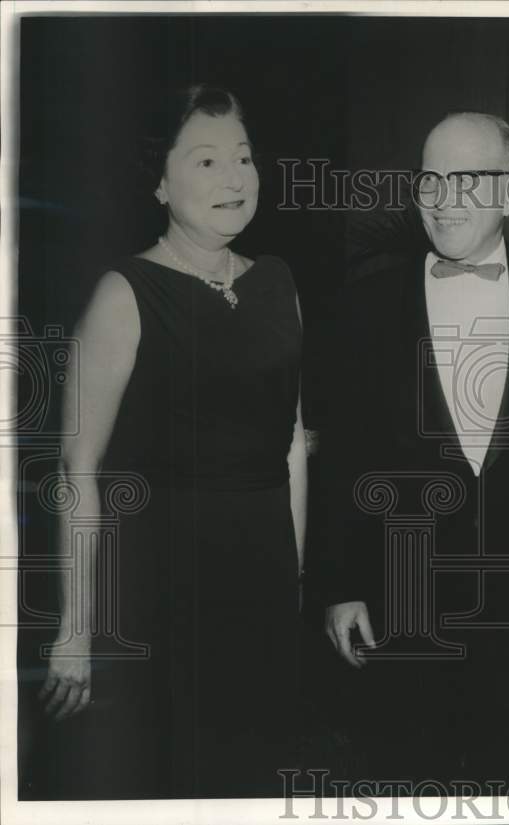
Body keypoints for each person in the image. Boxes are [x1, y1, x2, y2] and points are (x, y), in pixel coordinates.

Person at [308, 112, 509, 786]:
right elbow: (342, 458)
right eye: (430, 179)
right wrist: (340, 586)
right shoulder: (364, 308)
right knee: (405, 780)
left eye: (467, 179)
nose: (443, 198)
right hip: (401, 600)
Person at [38, 84, 307, 798]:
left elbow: (291, 448)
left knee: (258, 782)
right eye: (206, 161)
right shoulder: (124, 293)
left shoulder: (280, 284)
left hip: (268, 588)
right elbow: (80, 471)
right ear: (159, 182)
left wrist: (298, 581)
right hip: (163, 590)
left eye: (243, 158)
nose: (234, 178)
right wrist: (75, 629)